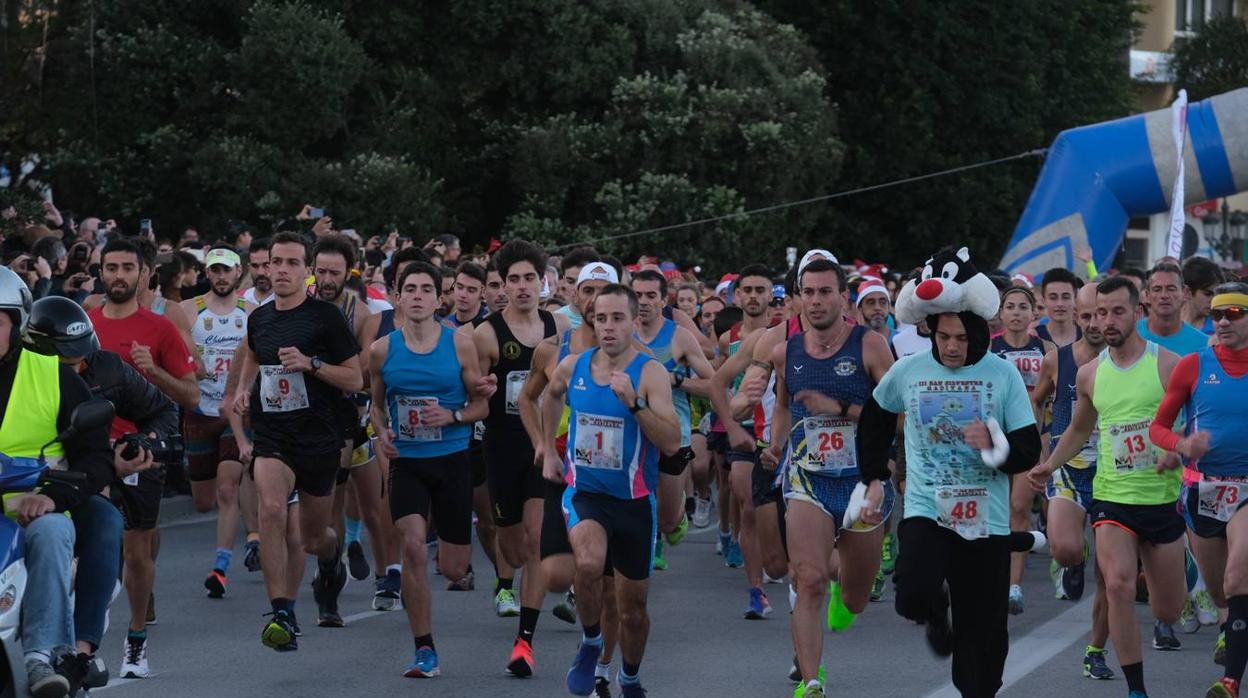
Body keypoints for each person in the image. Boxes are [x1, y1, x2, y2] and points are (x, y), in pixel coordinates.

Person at [860, 246, 1041, 698]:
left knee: (984, 645)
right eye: (944, 338)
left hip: (988, 518)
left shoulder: (1002, 375)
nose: (953, 347)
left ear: (978, 333)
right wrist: (875, 477)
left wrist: (996, 447)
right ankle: (938, 615)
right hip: (928, 506)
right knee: (913, 595)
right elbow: (875, 418)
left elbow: (1028, 448)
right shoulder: (909, 371)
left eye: (962, 338)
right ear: (932, 333)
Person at [1035, 276, 1185, 698]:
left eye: (1118, 311)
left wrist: (1179, 451)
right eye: (1101, 312)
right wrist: (1049, 464)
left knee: (1166, 609)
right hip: (1112, 498)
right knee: (1116, 583)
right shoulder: (1089, 375)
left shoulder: (1168, 365)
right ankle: (1136, 690)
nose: (1107, 320)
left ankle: (1180, 568)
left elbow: (1191, 424)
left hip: (1162, 499)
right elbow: (1080, 428)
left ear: (1138, 313)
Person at [758, 258, 895, 698]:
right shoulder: (786, 352)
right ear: (798, 298)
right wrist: (775, 445)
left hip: (862, 483)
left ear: (843, 298)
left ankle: (846, 593)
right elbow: (783, 406)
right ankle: (812, 681)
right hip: (807, 481)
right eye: (808, 292)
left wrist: (838, 410)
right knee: (808, 578)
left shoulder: (870, 346)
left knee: (855, 598)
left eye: (824, 292)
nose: (815, 301)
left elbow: (895, 416)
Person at [24, 295, 178, 685]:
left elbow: (165, 410)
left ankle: (83, 650)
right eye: (64, 360)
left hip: (85, 481)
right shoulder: (17, 378)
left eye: (81, 358)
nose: (76, 368)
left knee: (111, 525)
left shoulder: (108, 370)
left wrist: (140, 442)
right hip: (20, 485)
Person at [541, 284, 681, 698]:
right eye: (601, 318)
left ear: (634, 321)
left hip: (635, 503)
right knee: (586, 564)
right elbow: (549, 396)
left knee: (632, 610)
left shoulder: (650, 372)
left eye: (618, 318)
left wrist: (635, 403)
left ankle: (630, 676)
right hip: (585, 493)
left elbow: (672, 441)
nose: (608, 327)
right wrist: (547, 447)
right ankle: (591, 643)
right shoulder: (573, 366)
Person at [229, 231, 363, 652]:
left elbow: (355, 378)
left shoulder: (326, 318)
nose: (282, 270)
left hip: (319, 440)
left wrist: (312, 363)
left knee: (311, 537)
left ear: (306, 271)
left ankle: (331, 553)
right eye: (276, 262)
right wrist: (243, 388)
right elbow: (252, 353)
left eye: (291, 263)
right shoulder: (260, 318)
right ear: (266, 267)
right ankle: (281, 611)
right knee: (270, 510)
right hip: (273, 434)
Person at [368, 261, 489, 678]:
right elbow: (377, 406)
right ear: (398, 297)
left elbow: (481, 405)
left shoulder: (460, 345)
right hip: (407, 463)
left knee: (454, 568)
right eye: (410, 289)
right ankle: (424, 650)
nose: (417, 296)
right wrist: (380, 433)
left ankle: (461, 563)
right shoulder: (382, 350)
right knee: (414, 546)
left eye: (426, 289)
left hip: (454, 459)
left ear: (440, 299)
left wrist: (452, 416)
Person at [0, 267, 113, 698]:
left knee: (54, 530)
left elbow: (97, 455)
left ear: (19, 323)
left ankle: (42, 656)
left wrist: (51, 497)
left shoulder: (52, 374)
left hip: (32, 508)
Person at [87, 237, 198, 675]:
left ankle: (136, 641)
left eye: (127, 268)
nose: (118, 275)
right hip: (91, 453)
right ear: (101, 272)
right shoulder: (87, 326)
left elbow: (190, 394)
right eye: (111, 267)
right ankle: (85, 641)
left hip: (143, 451)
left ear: (143, 274)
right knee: (87, 549)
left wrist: (151, 370)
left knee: (137, 553)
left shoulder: (159, 329)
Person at [520, 261, 626, 692]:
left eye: (602, 290)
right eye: (586, 289)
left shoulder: (636, 352)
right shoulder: (552, 348)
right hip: (565, 469)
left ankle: (601, 665)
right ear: (575, 295)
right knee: (560, 573)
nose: (591, 297)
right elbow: (529, 399)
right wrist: (542, 445)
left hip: (618, 479)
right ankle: (591, 633)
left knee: (612, 585)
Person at [1148, 281, 1248, 698]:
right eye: (1217, 314)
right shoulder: (1193, 366)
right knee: (1222, 588)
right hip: (1203, 490)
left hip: (1245, 488)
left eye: (1234, 314)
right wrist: (1180, 445)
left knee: (1237, 577)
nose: (1222, 321)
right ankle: (1230, 625)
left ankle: (1230, 682)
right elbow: (1158, 427)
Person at [473, 239, 567, 677]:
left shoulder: (559, 328)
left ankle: (524, 641)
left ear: (543, 281)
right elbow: (468, 391)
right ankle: (503, 580)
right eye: (514, 279)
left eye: (531, 277)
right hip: (501, 447)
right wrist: (479, 391)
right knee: (508, 544)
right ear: (502, 286)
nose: (523, 286)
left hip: (543, 447)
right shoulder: (487, 334)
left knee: (534, 540)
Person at [1027, 282, 1114, 680]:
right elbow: (1035, 400)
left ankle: (1095, 649)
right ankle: (1072, 563)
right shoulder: (1057, 360)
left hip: (1115, 473)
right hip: (1067, 466)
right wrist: (1041, 449)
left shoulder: (1130, 362)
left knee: (1111, 576)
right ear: (1076, 318)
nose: (1095, 323)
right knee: (1064, 548)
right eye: (1087, 316)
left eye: (1102, 313)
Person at [177, 248, 255, 600]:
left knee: (227, 487)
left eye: (227, 271)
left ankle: (220, 568)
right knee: (204, 500)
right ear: (207, 273)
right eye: (215, 271)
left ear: (239, 272)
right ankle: (245, 493)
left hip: (235, 414)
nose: (221, 277)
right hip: (198, 410)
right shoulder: (189, 310)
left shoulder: (252, 314)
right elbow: (174, 350)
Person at [707, 262, 783, 618]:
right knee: (747, 503)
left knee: (782, 512)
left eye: (760, 290)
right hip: (744, 430)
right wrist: (734, 426)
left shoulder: (784, 334)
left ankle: (781, 561)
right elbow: (717, 384)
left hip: (782, 432)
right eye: (747, 290)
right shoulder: (731, 337)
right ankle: (756, 591)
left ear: (772, 295)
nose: (753, 297)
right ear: (737, 296)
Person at [630, 269, 715, 568]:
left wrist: (676, 381)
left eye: (651, 295)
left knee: (668, 518)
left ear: (664, 299)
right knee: (638, 497)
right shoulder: (620, 335)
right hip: (634, 431)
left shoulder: (679, 337)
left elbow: (712, 384)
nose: (643, 302)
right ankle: (649, 545)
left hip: (673, 435)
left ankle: (672, 519)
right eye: (637, 295)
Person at [990, 285, 1054, 615]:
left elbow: (1051, 403)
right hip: (993, 439)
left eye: (1022, 307)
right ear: (1000, 314)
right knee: (992, 512)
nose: (1016, 312)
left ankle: (1013, 586)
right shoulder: (988, 349)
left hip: (1029, 438)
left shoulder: (1046, 349)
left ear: (1033, 313)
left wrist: (1045, 445)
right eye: (1010, 306)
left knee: (1018, 509)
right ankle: (988, 575)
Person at [1139, 262, 1211, 356]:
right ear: (1147, 295)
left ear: (1185, 293)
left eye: (1171, 289)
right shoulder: (1131, 335)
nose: (1164, 295)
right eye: (1157, 289)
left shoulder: (1203, 344)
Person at [1036, 268, 1082, 348]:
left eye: (1066, 297)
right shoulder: (1034, 337)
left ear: (1075, 299)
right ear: (1044, 300)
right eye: (1053, 298)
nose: (1060, 304)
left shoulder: (1086, 336)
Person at [1180, 256, 1223, 336]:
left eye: (1217, 295)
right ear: (1187, 292)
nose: (1214, 300)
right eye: (1207, 294)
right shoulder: (1164, 323)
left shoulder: (1220, 329)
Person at [441, 262, 488, 329]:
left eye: (471, 290)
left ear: (483, 292)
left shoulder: (491, 324)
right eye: (459, 287)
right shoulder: (444, 325)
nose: (463, 295)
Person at [241, 237, 274, 306]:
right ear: (249, 267)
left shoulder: (288, 301)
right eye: (255, 266)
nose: (260, 272)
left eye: (266, 265)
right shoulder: (240, 300)